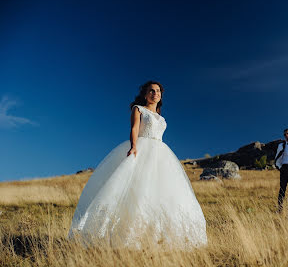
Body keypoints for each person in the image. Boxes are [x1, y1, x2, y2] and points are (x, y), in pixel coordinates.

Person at [68, 80, 207, 249]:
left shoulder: (162, 118)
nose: (154, 93)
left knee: (162, 193)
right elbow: (134, 128)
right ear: (145, 94)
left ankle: (156, 238)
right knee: (136, 191)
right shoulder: (138, 109)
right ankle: (121, 238)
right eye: (151, 91)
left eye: (157, 91)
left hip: (161, 154)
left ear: (161, 95)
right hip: (142, 148)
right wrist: (134, 146)